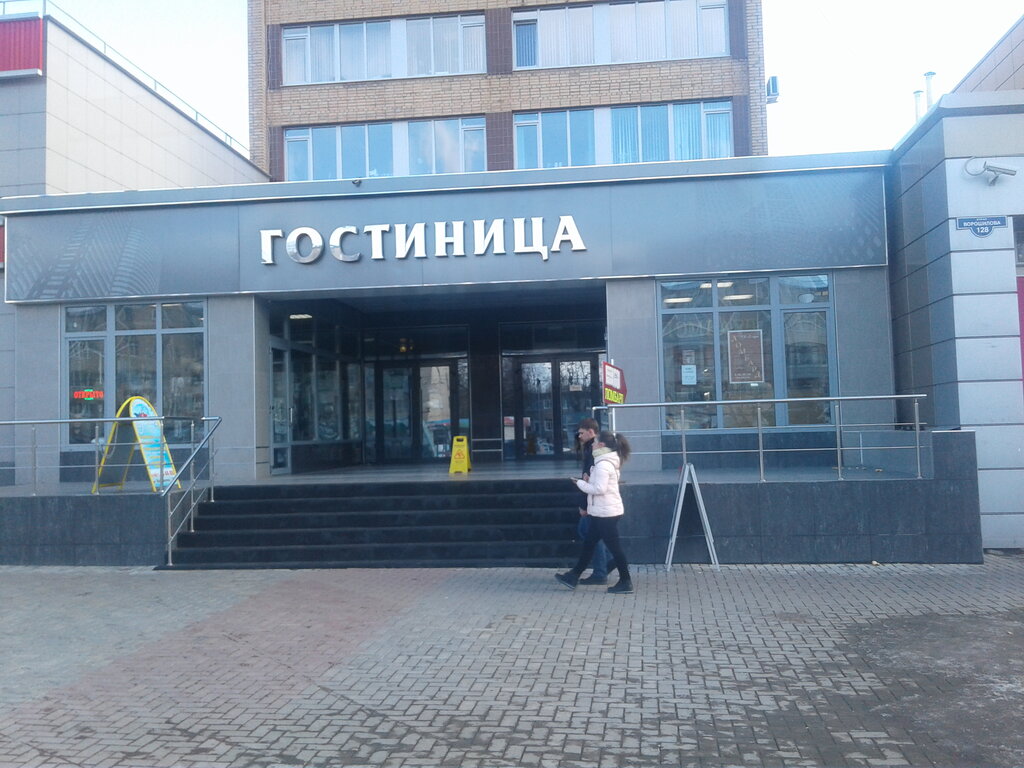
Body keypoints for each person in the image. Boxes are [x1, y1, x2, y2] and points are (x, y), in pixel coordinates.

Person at [556, 431, 634, 594]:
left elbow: (599, 489)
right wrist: (589, 480)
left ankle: (626, 582)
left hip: (606, 513)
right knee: (589, 544)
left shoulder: (603, 464)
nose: (592, 444)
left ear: (601, 445)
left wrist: (580, 484)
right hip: (603, 511)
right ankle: (573, 576)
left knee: (614, 548)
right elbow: (602, 485)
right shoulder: (605, 462)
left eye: (595, 442)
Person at [574, 418, 613, 585]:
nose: (579, 436)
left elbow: (591, 480)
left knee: (589, 533)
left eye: (581, 433)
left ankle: (600, 571)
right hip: (598, 501)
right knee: (589, 532)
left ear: (591, 432)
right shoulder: (598, 450)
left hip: (594, 501)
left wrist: (584, 506)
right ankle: (609, 561)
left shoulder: (594, 450)